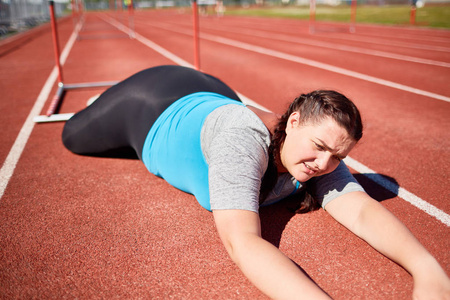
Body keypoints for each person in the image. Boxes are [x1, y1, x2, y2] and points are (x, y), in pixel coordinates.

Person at [62, 65, 449, 299]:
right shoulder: (242, 142)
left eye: (339, 156)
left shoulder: (320, 156)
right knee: (73, 137)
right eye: (319, 147)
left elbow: (361, 212)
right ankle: (100, 101)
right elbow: (243, 242)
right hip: (150, 104)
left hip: (217, 93)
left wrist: (427, 270)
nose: (324, 164)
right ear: (293, 122)